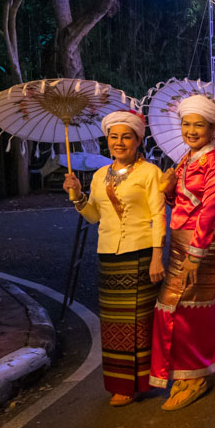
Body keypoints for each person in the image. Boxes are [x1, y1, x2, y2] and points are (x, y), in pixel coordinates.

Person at [63, 111, 165, 407]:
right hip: (108, 255)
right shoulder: (98, 176)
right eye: (113, 136)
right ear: (107, 140)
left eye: (126, 137)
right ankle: (121, 383)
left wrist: (157, 256)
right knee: (114, 324)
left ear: (137, 140)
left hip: (141, 252)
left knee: (140, 322)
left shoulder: (150, 173)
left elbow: (158, 215)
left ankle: (141, 382)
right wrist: (77, 196)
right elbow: (95, 217)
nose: (119, 142)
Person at [150, 94, 215, 410]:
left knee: (183, 305)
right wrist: (170, 188)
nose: (191, 130)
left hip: (206, 239)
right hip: (186, 237)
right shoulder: (187, 158)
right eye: (186, 124)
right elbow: (183, 205)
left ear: (212, 127)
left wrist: (195, 255)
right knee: (198, 304)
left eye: (199, 124)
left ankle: (195, 377)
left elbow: (210, 209)